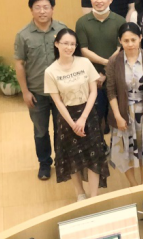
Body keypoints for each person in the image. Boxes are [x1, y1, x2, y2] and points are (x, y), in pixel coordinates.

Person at [44, 29, 109, 201]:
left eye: (73, 44)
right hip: (67, 118)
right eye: (65, 43)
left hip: (88, 114)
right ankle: (80, 193)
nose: (69, 47)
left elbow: (93, 91)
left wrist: (83, 118)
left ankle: (94, 196)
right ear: (57, 44)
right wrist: (73, 124)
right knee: (73, 156)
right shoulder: (50, 71)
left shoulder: (85, 62)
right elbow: (57, 102)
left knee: (94, 155)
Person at [14, 0, 66, 181]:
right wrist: (25, 92)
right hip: (37, 92)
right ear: (31, 10)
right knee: (40, 130)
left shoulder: (62, 30)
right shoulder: (23, 35)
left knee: (62, 129)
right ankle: (44, 163)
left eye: (46, 7)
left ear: (52, 9)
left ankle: (62, 161)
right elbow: (19, 64)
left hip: (61, 92)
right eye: (38, 7)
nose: (42, 11)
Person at [105, 23, 143, 187]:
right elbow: (111, 91)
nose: (130, 44)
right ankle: (133, 185)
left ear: (140, 38)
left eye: (133, 40)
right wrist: (117, 116)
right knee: (125, 153)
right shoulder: (114, 61)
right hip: (123, 112)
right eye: (126, 41)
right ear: (120, 41)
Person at [76, 0, 126, 126]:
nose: (99, 1)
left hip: (116, 75)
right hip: (91, 78)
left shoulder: (120, 21)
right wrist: (103, 68)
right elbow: (84, 50)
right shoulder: (82, 22)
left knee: (117, 115)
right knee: (95, 117)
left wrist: (105, 71)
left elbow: (120, 49)